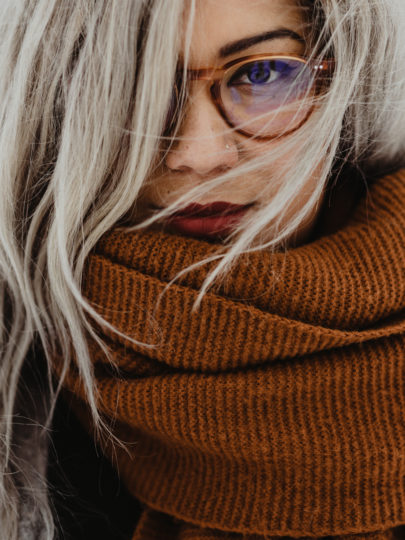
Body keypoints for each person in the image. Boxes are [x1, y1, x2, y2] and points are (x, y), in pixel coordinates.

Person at [0, 0, 404, 538]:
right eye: (135, 91)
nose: (198, 152)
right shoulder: (22, 385)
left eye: (262, 73)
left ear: (347, 80)